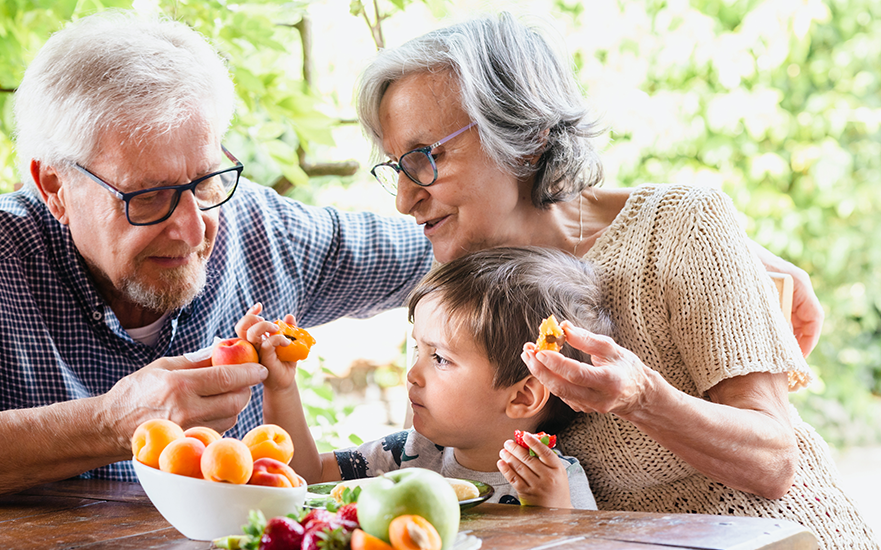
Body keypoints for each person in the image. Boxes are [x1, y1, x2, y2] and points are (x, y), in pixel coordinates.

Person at [354, 12, 876, 549]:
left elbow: (773, 463)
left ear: (528, 139)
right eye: (396, 166)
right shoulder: (458, 281)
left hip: (774, 536)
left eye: (426, 158)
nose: (404, 197)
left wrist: (641, 397)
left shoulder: (679, 229)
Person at [0, 11, 433, 510]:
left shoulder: (263, 231)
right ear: (54, 186)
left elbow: (437, 249)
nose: (193, 229)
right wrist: (110, 423)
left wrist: (517, 194)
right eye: (147, 195)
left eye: (207, 180)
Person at [238, 246, 607, 508]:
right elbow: (308, 477)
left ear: (522, 397)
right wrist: (281, 387)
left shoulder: (555, 482)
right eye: (418, 351)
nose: (413, 374)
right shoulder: (412, 453)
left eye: (440, 358)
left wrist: (556, 514)